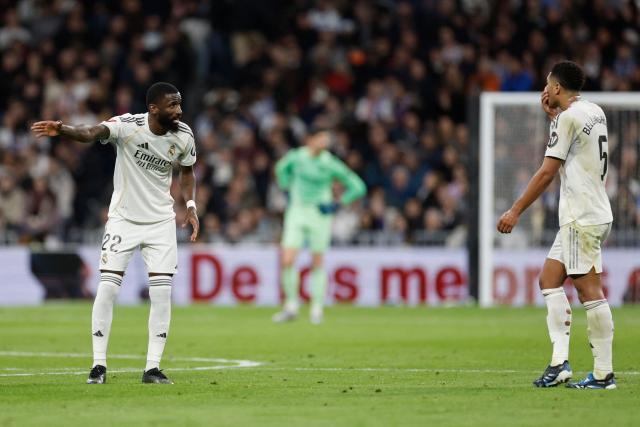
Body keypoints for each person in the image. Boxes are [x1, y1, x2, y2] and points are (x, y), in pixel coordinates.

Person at [31, 82, 200, 385]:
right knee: (107, 288)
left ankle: (152, 368)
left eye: (180, 103)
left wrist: (190, 204)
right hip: (123, 220)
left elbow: (187, 171)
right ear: (154, 109)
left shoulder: (184, 135)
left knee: (161, 293)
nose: (179, 110)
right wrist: (64, 129)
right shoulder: (127, 126)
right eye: (173, 105)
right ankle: (98, 365)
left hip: (161, 223)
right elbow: (91, 132)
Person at [497, 61, 615, 389]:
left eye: (548, 85)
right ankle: (559, 363)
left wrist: (515, 210)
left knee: (589, 290)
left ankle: (604, 375)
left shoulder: (567, 118)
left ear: (558, 88)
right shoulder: (594, 111)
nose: (545, 90)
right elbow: (579, 142)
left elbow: (547, 171)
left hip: (581, 215)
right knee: (549, 279)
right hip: (594, 211)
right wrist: (554, 117)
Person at [272, 128, 366, 324]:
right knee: (288, 259)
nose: (324, 143)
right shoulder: (296, 157)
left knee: (317, 261)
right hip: (297, 211)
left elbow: (358, 186)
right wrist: (286, 186)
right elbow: (280, 169)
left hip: (319, 214)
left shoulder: (329, 163)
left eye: (327, 140)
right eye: (321, 138)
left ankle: (317, 308)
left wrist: (338, 203)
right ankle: (291, 305)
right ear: (310, 139)